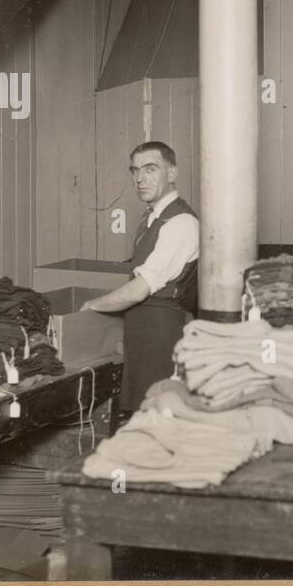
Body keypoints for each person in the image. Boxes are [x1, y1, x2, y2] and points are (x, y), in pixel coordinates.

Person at [81, 142, 199, 418]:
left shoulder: (180, 223)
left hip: (165, 335)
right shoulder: (150, 219)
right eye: (135, 171)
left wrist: (91, 306)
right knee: (142, 418)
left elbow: (138, 290)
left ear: (172, 173)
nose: (140, 179)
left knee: (162, 417)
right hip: (142, 335)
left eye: (150, 169)